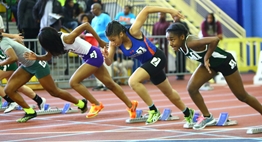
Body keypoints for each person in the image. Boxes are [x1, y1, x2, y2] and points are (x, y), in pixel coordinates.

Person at [23, 22, 138, 119]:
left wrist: (100, 41)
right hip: (90, 56)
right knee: (110, 84)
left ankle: (96, 104)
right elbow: (48, 56)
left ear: (50, 41)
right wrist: (37, 57)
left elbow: (86, 25)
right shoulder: (57, 43)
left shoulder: (67, 38)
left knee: (73, 82)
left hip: (92, 55)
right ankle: (130, 105)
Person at [103, 6, 194, 125]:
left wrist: (171, 11)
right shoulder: (114, 44)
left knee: (133, 81)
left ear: (121, 34)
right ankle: (188, 112)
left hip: (157, 58)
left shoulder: (133, 31)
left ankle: (153, 110)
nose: (112, 43)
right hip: (148, 64)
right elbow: (109, 62)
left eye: (113, 39)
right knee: (169, 92)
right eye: (110, 40)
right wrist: (106, 57)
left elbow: (146, 9)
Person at [165, 22, 262, 129]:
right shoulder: (180, 45)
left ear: (182, 37)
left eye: (172, 39)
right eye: (168, 40)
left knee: (242, 96)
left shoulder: (192, 43)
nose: (170, 43)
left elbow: (215, 39)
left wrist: (206, 57)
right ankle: (207, 117)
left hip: (225, 62)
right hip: (211, 65)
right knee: (192, 88)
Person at [0, 34, 87, 123]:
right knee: (9, 90)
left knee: (54, 92)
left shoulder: (3, 43)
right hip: (27, 66)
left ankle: (81, 103)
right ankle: (29, 112)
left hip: (38, 65)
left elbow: (13, 58)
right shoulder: (4, 40)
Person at [90, 3, 112, 91]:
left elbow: (109, 29)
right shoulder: (94, 20)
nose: (91, 11)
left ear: (98, 9)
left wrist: (98, 34)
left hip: (104, 43)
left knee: (106, 63)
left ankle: (108, 82)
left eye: (93, 9)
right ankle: (100, 83)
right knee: (97, 62)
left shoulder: (105, 17)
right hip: (95, 44)